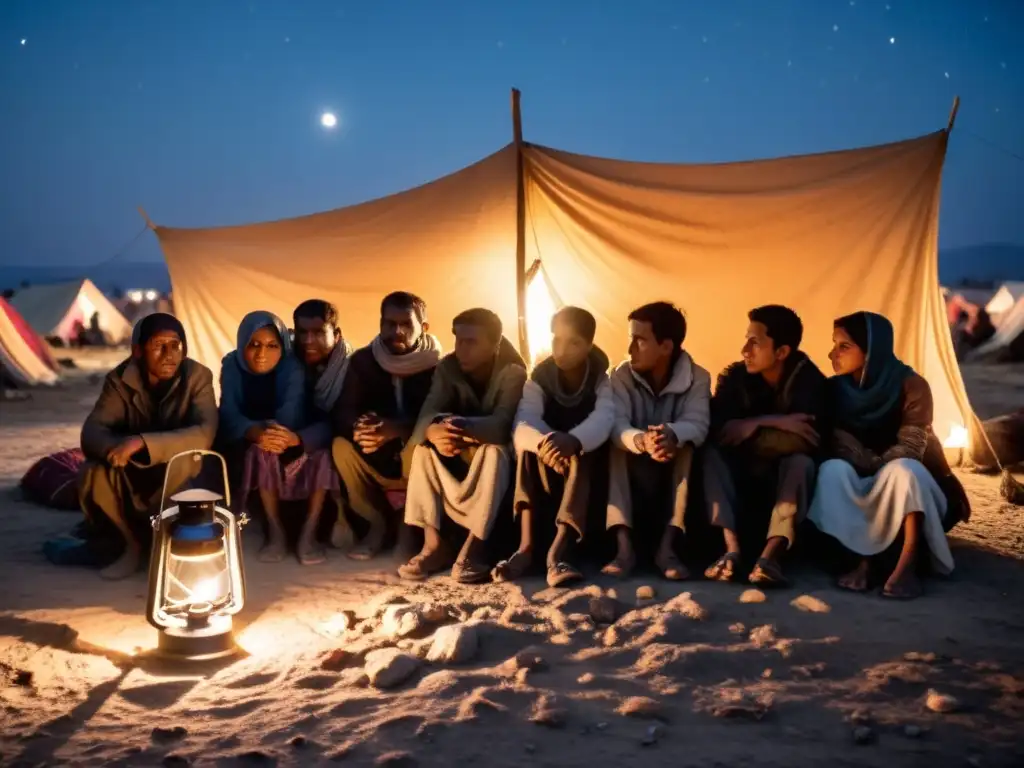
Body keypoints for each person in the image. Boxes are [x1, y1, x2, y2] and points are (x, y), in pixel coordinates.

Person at [807, 311, 971, 599]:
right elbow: (834, 444)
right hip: (859, 477)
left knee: (903, 471)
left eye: (844, 346)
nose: (833, 353)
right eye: (834, 344)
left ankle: (906, 564)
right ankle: (862, 560)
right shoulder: (832, 390)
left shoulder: (912, 385)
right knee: (832, 471)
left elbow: (912, 447)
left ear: (872, 350)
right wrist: (861, 461)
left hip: (908, 479)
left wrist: (872, 463)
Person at [78, 313, 217, 580]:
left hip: (180, 469)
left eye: (175, 345)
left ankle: (165, 546)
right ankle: (132, 545)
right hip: (131, 466)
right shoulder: (120, 379)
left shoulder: (197, 376)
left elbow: (204, 433)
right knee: (93, 471)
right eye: (158, 345)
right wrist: (114, 449)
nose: (168, 354)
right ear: (138, 351)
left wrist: (141, 443)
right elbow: (92, 431)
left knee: (186, 460)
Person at [702, 305, 826, 587]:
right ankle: (730, 550)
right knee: (711, 456)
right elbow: (721, 433)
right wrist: (770, 421)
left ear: (781, 352)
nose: (745, 349)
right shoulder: (735, 377)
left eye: (755, 342)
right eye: (747, 339)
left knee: (799, 462)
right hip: (742, 480)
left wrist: (746, 429)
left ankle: (771, 558)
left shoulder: (809, 382)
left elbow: (804, 441)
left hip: (781, 485)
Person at [400, 308, 527, 583]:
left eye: (472, 342)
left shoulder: (513, 371)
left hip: (494, 461)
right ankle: (433, 545)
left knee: (495, 452)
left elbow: (503, 424)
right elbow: (428, 414)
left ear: (495, 344)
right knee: (423, 450)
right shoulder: (448, 367)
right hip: (457, 454)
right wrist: (435, 431)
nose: (462, 349)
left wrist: (462, 427)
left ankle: (476, 545)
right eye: (459, 340)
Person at [494, 306, 614, 587]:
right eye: (557, 339)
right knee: (525, 452)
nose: (563, 349)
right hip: (547, 462)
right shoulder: (540, 377)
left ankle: (559, 552)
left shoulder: (602, 378)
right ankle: (525, 548)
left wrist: (572, 441)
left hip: (586, 469)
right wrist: (547, 444)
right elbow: (524, 422)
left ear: (589, 345)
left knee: (583, 454)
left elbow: (604, 418)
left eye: (574, 342)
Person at [604, 301, 711, 580]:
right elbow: (616, 424)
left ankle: (668, 548)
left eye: (639, 341)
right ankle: (623, 548)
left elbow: (698, 424)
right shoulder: (620, 375)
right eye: (631, 340)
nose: (630, 350)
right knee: (616, 449)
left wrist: (671, 435)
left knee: (687, 449)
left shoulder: (698, 377)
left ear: (666, 346)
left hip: (671, 469)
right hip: (634, 466)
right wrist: (641, 440)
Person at [331, 292, 441, 559]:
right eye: (389, 323)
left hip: (415, 454)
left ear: (423, 328)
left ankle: (408, 527)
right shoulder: (363, 361)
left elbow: (440, 416)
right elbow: (344, 411)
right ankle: (377, 524)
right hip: (376, 454)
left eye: (406, 324)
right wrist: (360, 428)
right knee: (340, 447)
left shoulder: (439, 365)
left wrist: (397, 429)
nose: (397, 331)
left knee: (420, 445)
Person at [217, 310, 320, 564]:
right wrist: (253, 431)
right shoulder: (231, 365)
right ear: (243, 343)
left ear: (282, 346)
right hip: (244, 441)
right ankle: (268, 528)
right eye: (254, 344)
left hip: (289, 437)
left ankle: (303, 532)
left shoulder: (292, 367)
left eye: (272, 345)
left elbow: (292, 414)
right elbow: (228, 412)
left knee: (285, 452)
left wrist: (273, 433)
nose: (262, 354)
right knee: (247, 450)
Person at [292, 298, 351, 554]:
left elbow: (343, 419)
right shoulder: (291, 363)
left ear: (336, 335)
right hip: (299, 440)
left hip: (337, 442)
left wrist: (302, 438)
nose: (308, 340)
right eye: (302, 333)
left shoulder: (351, 367)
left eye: (318, 332)